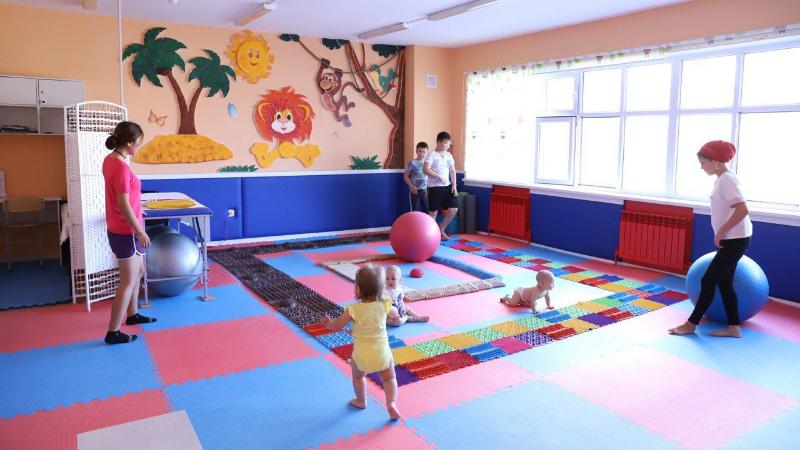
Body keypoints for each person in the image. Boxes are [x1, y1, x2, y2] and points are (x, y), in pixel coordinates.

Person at [669, 140, 752, 338]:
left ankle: (691, 324)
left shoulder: (727, 180)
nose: (701, 167)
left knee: (708, 280)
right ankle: (734, 327)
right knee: (724, 283)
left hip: (735, 239)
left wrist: (721, 231)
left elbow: (742, 209)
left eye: (703, 163)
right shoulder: (722, 178)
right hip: (734, 238)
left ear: (716, 161)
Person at [323, 264, 401, 420]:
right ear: (382, 289)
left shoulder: (353, 310)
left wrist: (328, 323)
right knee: (389, 379)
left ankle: (361, 400)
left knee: (358, 377)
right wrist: (394, 315)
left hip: (361, 355)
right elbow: (394, 313)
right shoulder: (384, 304)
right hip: (382, 354)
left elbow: (337, 326)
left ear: (357, 289)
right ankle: (391, 404)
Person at [102, 121, 156, 345]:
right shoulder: (121, 167)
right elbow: (123, 205)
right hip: (126, 231)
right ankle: (112, 332)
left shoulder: (111, 160)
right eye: (139, 142)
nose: (139, 146)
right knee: (127, 281)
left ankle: (132, 314)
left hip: (125, 228)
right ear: (130, 143)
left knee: (139, 271)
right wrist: (140, 231)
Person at [423, 131, 458, 240]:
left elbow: (452, 170)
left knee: (454, 209)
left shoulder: (448, 155)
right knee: (433, 213)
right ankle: (429, 236)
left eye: (449, 144)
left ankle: (441, 229)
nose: (447, 146)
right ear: (438, 142)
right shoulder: (431, 154)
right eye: (445, 144)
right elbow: (425, 169)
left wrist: (454, 185)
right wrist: (439, 176)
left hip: (448, 187)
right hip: (435, 188)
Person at [404, 142, 429, 212]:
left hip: (425, 191)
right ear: (416, 151)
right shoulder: (412, 163)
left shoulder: (428, 163)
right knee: (413, 210)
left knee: (427, 210)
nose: (422, 154)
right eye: (420, 151)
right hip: (414, 191)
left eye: (424, 152)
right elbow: (405, 177)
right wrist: (412, 187)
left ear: (427, 152)